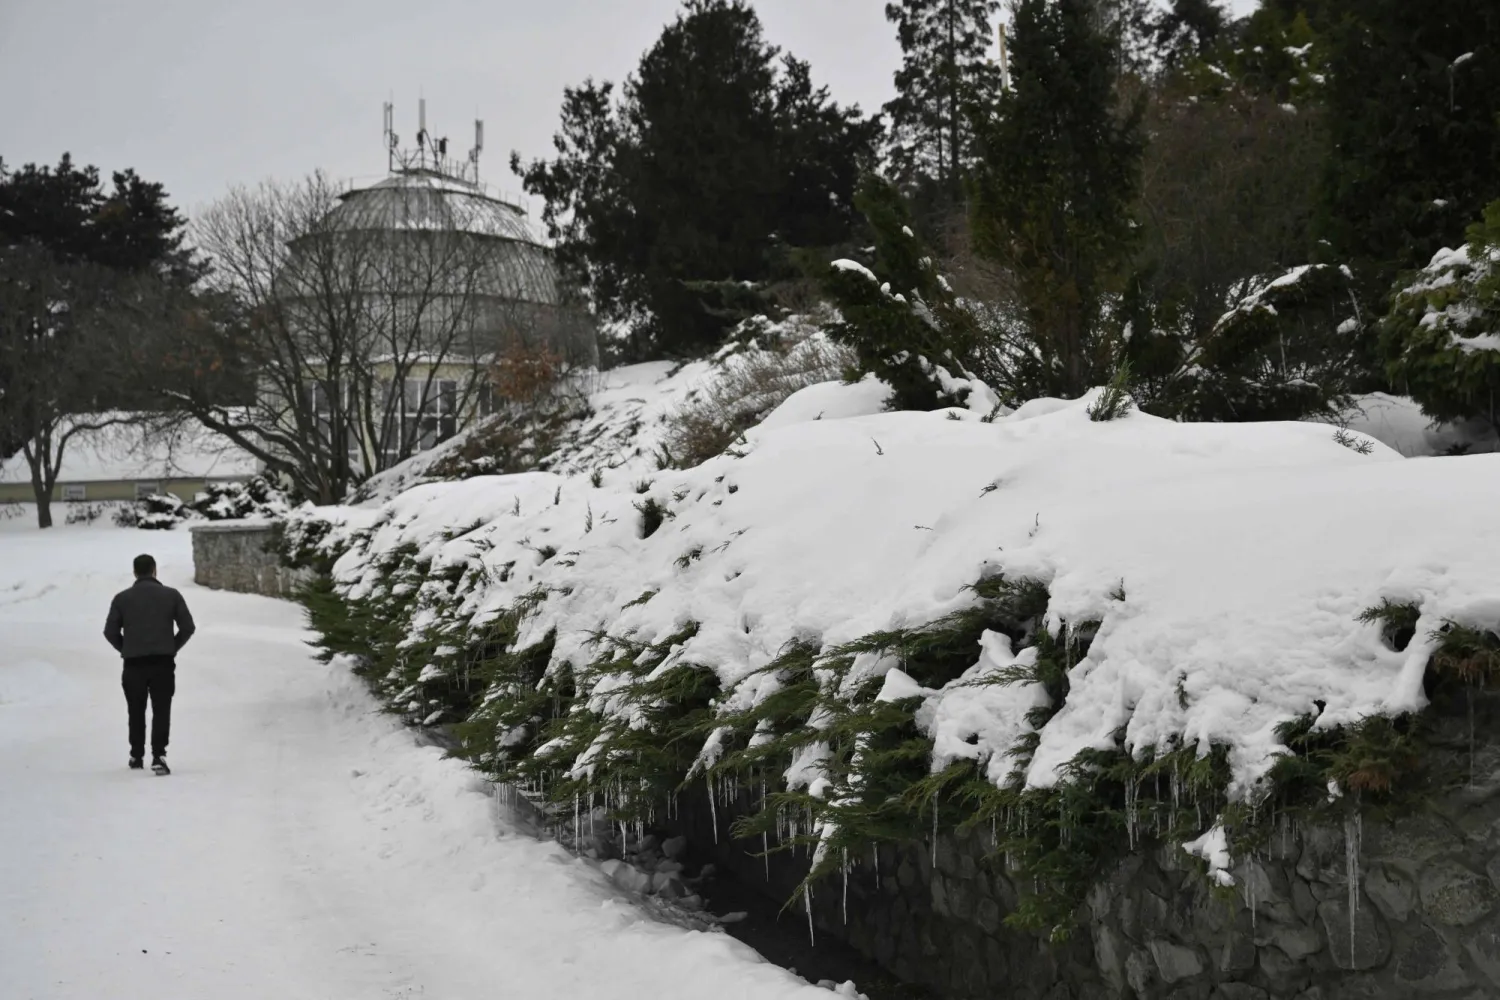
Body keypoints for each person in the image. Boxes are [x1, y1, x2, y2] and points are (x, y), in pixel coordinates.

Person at [104, 553, 196, 775]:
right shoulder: (171, 595)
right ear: (155, 570)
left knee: (135, 709)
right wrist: (172, 646)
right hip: (163, 663)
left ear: (135, 572)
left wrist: (125, 648)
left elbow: (110, 631)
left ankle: (136, 755)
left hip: (133, 664)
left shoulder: (121, 599)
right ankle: (159, 755)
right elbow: (188, 627)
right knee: (161, 709)